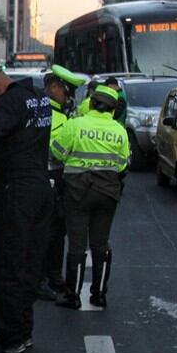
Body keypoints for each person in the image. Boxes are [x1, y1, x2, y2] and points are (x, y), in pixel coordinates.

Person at [0, 63, 54, 353]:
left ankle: (10, 335)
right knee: (30, 263)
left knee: (8, 263)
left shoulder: (9, 103)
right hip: (41, 187)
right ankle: (23, 330)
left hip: (16, 190)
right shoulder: (39, 96)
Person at [51, 85, 129, 309]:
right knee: (100, 244)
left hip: (77, 191)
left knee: (77, 244)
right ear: (113, 109)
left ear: (92, 103)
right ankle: (99, 294)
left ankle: (73, 296)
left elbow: (56, 151)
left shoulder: (75, 124)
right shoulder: (119, 131)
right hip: (107, 193)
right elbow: (122, 164)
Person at [37, 65, 85, 301]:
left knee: (57, 232)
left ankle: (54, 276)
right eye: (68, 92)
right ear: (55, 88)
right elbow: (52, 151)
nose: (70, 98)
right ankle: (42, 279)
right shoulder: (48, 115)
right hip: (48, 178)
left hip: (59, 179)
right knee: (47, 232)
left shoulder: (64, 114)